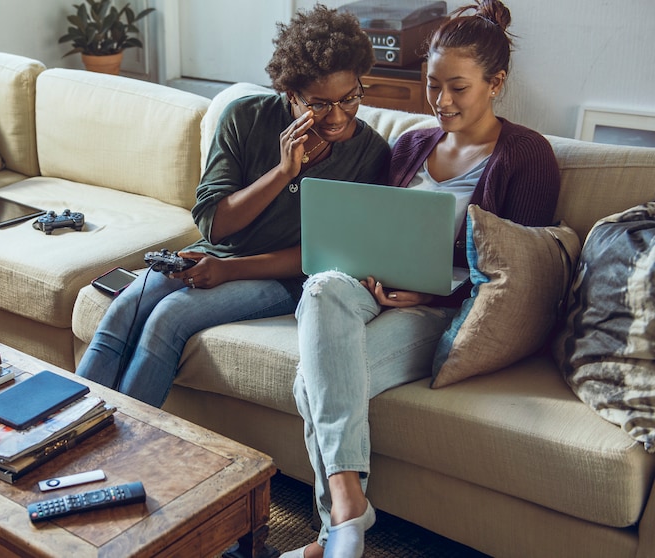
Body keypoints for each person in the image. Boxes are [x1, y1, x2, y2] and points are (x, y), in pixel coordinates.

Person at [284, 2, 561, 558]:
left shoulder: (526, 155)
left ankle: (334, 529)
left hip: (444, 310)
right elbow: (379, 226)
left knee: (314, 380)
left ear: (496, 82)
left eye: (458, 87)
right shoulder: (412, 145)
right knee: (320, 286)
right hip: (375, 294)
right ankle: (349, 511)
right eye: (433, 86)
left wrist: (436, 291)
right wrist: (366, 268)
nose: (442, 101)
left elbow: (529, 276)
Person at [76, 6, 390, 408]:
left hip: (283, 280)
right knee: (124, 308)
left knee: (169, 317)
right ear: (291, 94)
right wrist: (281, 171)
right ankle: (65, 431)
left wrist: (228, 270)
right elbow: (213, 226)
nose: (337, 116)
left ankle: (126, 450)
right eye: (319, 104)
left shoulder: (370, 155)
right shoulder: (246, 117)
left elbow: (325, 259)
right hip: (213, 254)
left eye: (349, 98)